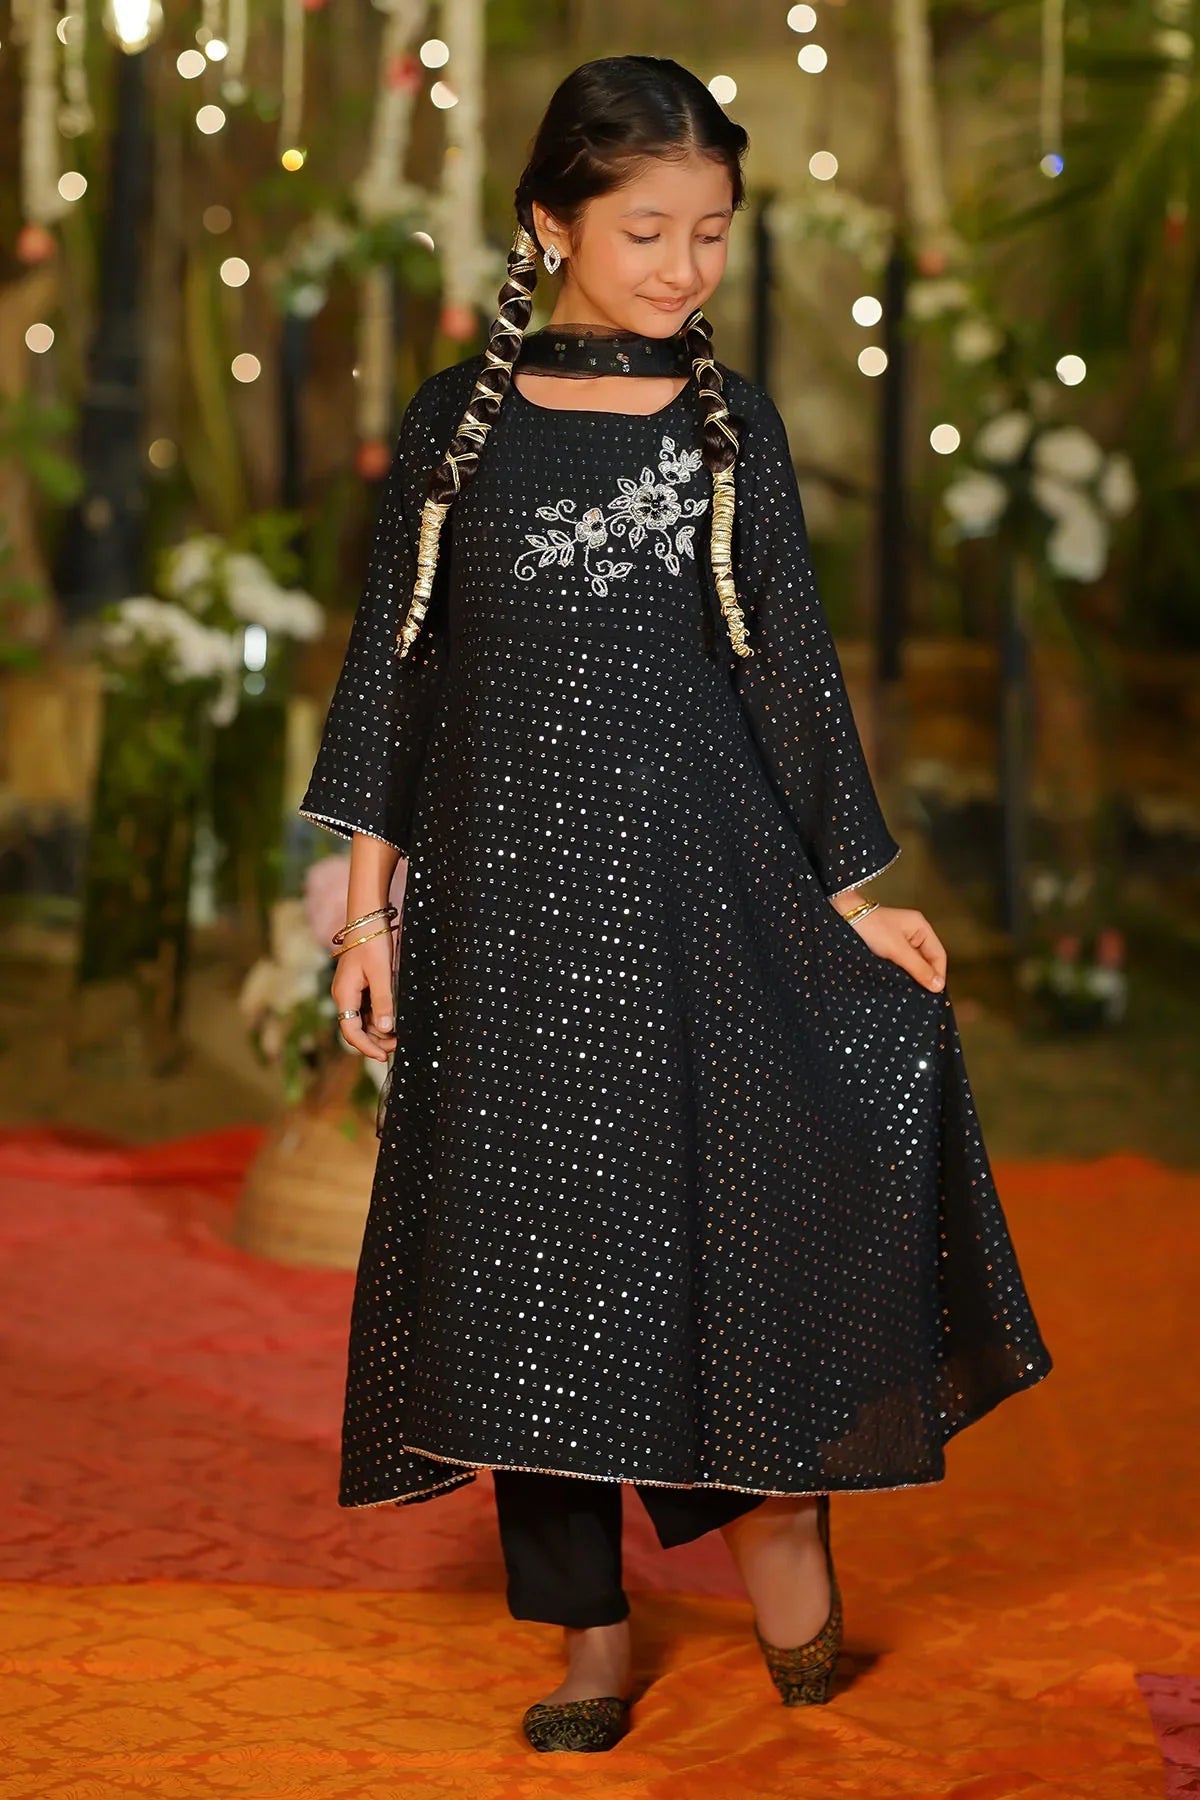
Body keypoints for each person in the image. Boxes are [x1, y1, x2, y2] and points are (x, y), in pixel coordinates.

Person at [300, 54, 1054, 1756]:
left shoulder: (730, 432)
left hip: (698, 897)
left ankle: (779, 1519)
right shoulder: (455, 427)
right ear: (551, 221)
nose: (682, 267)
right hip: (502, 917)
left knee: (711, 1220)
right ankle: (585, 1635)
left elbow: (789, 675)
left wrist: (851, 899)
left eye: (711, 233)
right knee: (524, 1262)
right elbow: (394, 682)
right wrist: (367, 918)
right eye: (647, 230)